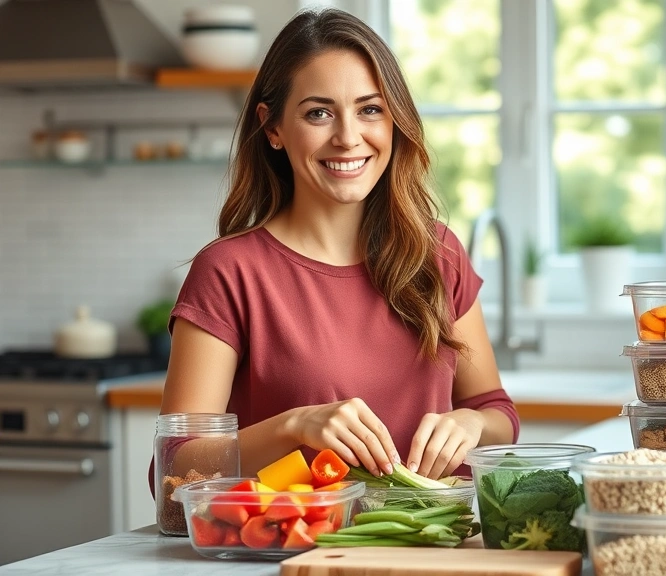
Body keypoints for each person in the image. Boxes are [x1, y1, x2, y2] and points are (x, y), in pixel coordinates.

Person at [157, 7, 519, 483]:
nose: (349, 138)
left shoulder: (438, 253)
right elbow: (174, 467)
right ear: (273, 128)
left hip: (433, 548)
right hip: (290, 551)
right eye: (319, 113)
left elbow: (495, 410)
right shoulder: (229, 272)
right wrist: (295, 426)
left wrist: (471, 423)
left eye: (370, 109)